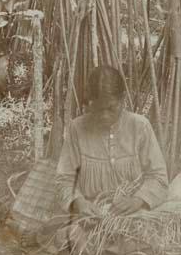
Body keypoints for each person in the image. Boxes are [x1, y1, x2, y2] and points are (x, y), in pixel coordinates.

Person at [56, 65, 168, 217]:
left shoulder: (140, 127)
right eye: (98, 108)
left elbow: (158, 177)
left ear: (122, 100)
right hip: (89, 216)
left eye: (111, 108)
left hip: (134, 216)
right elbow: (64, 179)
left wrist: (137, 200)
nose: (104, 116)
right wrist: (79, 202)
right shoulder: (77, 129)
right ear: (89, 102)